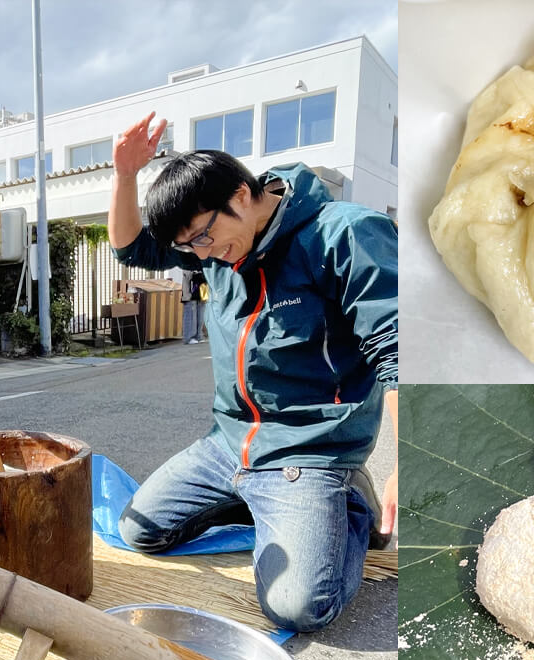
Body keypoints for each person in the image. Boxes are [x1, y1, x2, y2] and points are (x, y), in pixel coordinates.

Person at [108, 112, 398, 632]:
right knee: (139, 530)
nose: (202, 253)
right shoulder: (217, 249)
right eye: (189, 247)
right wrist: (125, 175)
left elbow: (399, 348)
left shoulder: (343, 235)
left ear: (242, 194)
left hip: (308, 450)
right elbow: (131, 247)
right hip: (230, 443)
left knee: (296, 606)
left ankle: (348, 501)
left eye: (204, 236)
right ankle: (261, 503)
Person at [179, 267, 206, 344]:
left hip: (202, 283)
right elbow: (186, 273)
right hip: (191, 285)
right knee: (191, 311)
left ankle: (199, 335)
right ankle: (189, 337)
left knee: (201, 310)